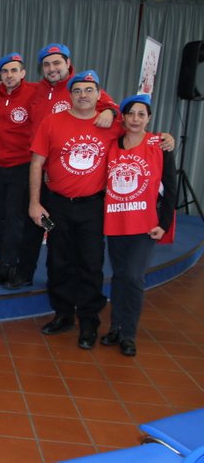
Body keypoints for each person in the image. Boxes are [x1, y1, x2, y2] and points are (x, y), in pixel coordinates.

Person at [6, 43, 119, 290]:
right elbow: (10, 91)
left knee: (61, 237)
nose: (52, 68)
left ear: (68, 63)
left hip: (68, 178)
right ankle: (24, 272)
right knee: (33, 223)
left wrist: (111, 111)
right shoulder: (35, 90)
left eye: (57, 63)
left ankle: (66, 281)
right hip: (37, 168)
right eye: (46, 64)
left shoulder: (82, 88)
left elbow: (115, 109)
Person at [28, 70, 123, 349]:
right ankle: (64, 314)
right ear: (70, 95)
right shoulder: (52, 122)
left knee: (91, 263)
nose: (83, 95)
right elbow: (36, 163)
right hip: (57, 204)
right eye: (78, 90)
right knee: (58, 261)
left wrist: (164, 139)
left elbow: (138, 132)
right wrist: (34, 202)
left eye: (89, 90)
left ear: (99, 94)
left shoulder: (111, 124)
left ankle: (89, 320)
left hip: (92, 205)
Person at [102, 95, 176, 356]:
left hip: (145, 225)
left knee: (134, 277)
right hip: (116, 221)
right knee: (120, 275)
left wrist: (164, 223)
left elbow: (171, 188)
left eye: (141, 114)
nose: (135, 119)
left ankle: (128, 334)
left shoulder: (160, 145)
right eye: (130, 113)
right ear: (123, 117)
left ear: (149, 118)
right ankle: (115, 327)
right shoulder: (112, 144)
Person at [0, 53, 35, 285]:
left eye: (14, 70)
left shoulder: (34, 92)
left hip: (21, 165)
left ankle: (9, 263)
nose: (9, 75)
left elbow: (71, 90)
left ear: (23, 73)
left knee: (14, 218)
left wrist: (109, 109)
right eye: (5, 71)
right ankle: (2, 257)